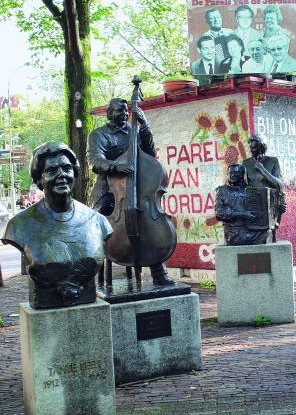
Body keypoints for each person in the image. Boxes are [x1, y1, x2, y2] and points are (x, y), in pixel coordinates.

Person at [2, 142, 112, 308]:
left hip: (87, 298)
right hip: (44, 302)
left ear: (74, 173)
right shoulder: (19, 226)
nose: (61, 175)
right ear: (39, 179)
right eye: (51, 170)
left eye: (67, 168)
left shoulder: (98, 221)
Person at [87, 98, 174, 285]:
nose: (125, 114)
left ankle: (158, 272)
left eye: (126, 111)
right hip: (109, 188)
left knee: (148, 223)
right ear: (109, 113)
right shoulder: (98, 135)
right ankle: (89, 272)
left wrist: (145, 127)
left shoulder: (134, 131)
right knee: (96, 220)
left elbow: (150, 154)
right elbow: (94, 161)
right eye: (119, 111)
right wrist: (114, 166)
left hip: (137, 187)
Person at [242, 135, 286, 238]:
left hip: (270, 204)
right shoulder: (246, 163)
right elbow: (243, 185)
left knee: (270, 235)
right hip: (253, 204)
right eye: (251, 147)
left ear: (262, 147)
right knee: (254, 235)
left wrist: (262, 169)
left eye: (255, 147)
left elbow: (279, 184)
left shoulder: (272, 161)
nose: (252, 150)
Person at [215, 164, 268, 245]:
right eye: (230, 173)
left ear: (242, 175)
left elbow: (263, 208)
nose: (232, 175)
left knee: (267, 233)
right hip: (233, 233)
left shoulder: (250, 190)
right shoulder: (222, 190)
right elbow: (219, 214)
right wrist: (242, 214)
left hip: (253, 230)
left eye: (236, 173)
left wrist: (278, 209)